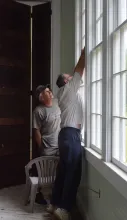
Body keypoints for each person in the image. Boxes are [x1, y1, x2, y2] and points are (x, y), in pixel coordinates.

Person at [47, 48, 85, 220]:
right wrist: (84, 53)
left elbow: (74, 73)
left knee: (63, 171)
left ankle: (54, 203)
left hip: (65, 135)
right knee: (73, 172)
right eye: (69, 77)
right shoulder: (69, 89)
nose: (72, 76)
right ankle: (63, 208)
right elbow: (78, 69)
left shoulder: (64, 92)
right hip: (71, 135)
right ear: (66, 81)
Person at [32, 84, 61, 204]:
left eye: (49, 91)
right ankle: (44, 197)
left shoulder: (57, 103)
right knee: (47, 176)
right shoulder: (38, 111)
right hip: (47, 147)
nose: (50, 93)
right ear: (41, 97)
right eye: (46, 92)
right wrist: (41, 147)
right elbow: (36, 130)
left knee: (59, 173)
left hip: (60, 145)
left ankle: (55, 197)